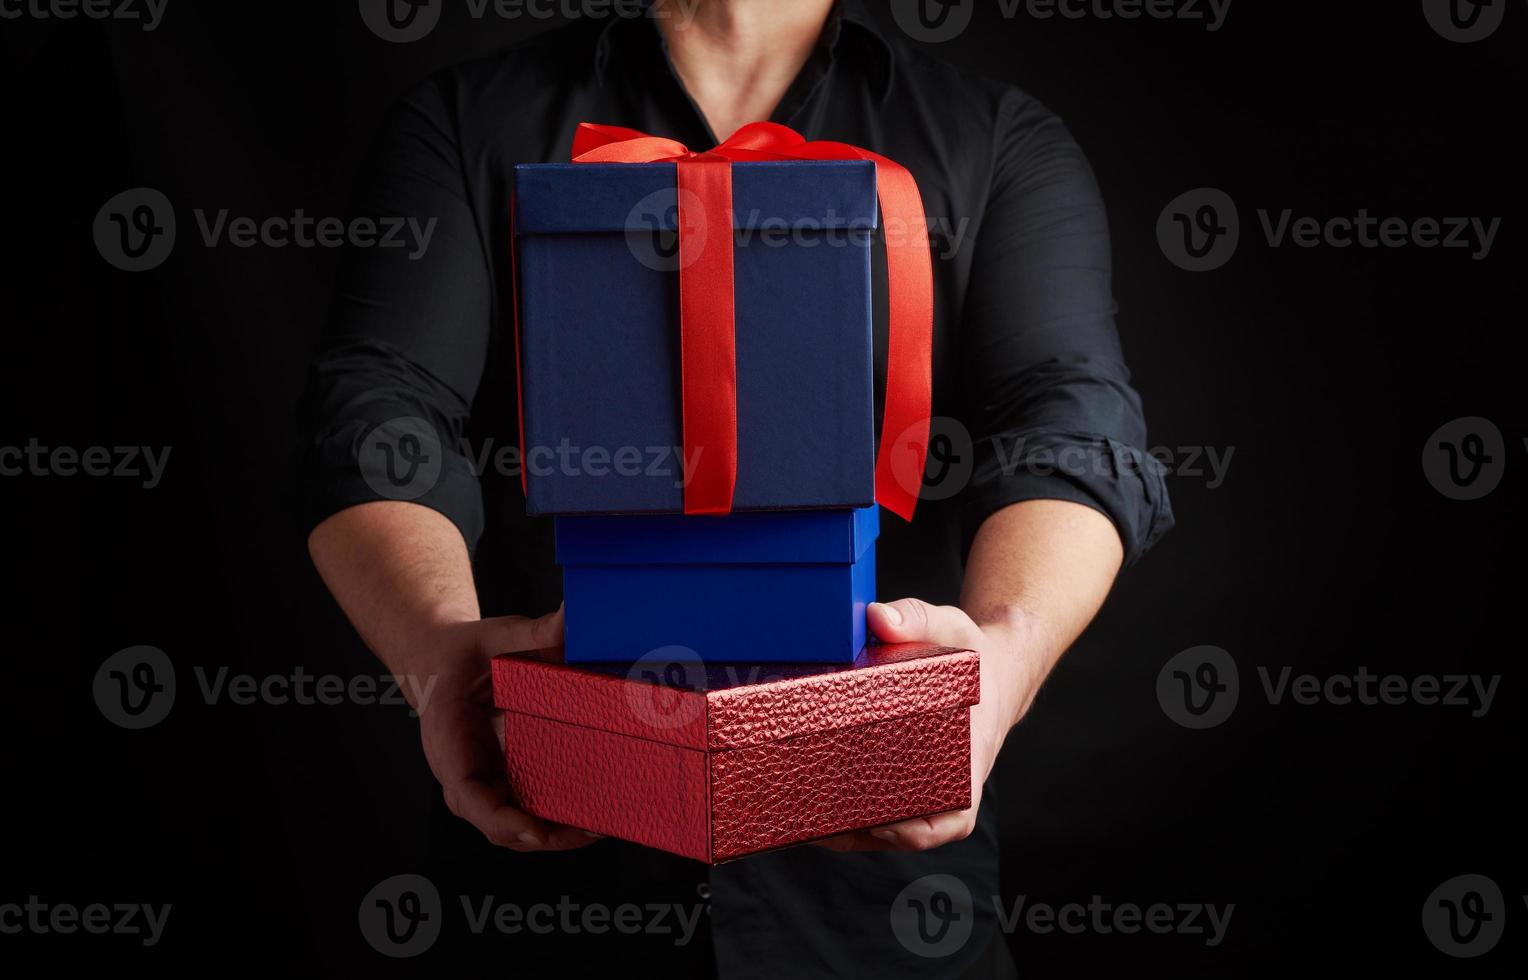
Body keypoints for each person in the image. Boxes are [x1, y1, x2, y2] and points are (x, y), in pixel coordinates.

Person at [300, 1, 1172, 975]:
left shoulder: (994, 137)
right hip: (547, 861)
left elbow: (1070, 428)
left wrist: (1002, 665)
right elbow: (375, 418)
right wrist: (435, 652)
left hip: (881, 900)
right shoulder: (464, 120)